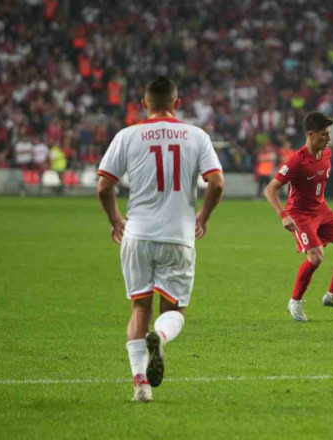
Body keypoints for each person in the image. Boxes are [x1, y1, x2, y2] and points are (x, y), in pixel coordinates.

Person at [96, 77, 225, 402]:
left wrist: (115, 220)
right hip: (178, 235)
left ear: (144, 104)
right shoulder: (196, 136)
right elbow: (217, 183)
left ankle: (140, 385)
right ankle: (161, 335)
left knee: (140, 307)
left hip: (137, 233)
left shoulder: (128, 135)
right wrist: (203, 217)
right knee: (175, 310)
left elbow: (103, 185)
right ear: (177, 104)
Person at [263, 112, 333, 321]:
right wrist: (283, 215)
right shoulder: (296, 161)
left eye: (329, 134)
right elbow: (270, 189)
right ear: (311, 134)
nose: (328, 138)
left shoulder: (327, 154)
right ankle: (295, 301)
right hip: (300, 214)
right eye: (324, 134)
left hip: (322, 210)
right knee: (316, 257)